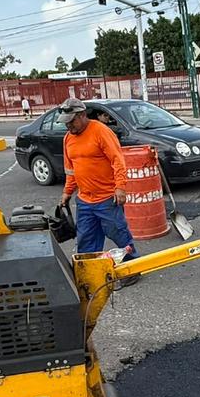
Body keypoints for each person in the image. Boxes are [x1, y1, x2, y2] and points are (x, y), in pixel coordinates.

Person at [57, 98, 141, 285]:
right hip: (85, 200)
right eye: (66, 122)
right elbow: (70, 170)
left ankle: (132, 267)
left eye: (72, 121)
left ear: (82, 115)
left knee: (118, 233)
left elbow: (117, 160)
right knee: (86, 238)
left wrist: (120, 187)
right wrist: (67, 192)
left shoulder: (101, 132)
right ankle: (89, 274)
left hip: (107, 198)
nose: (69, 125)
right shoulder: (68, 139)